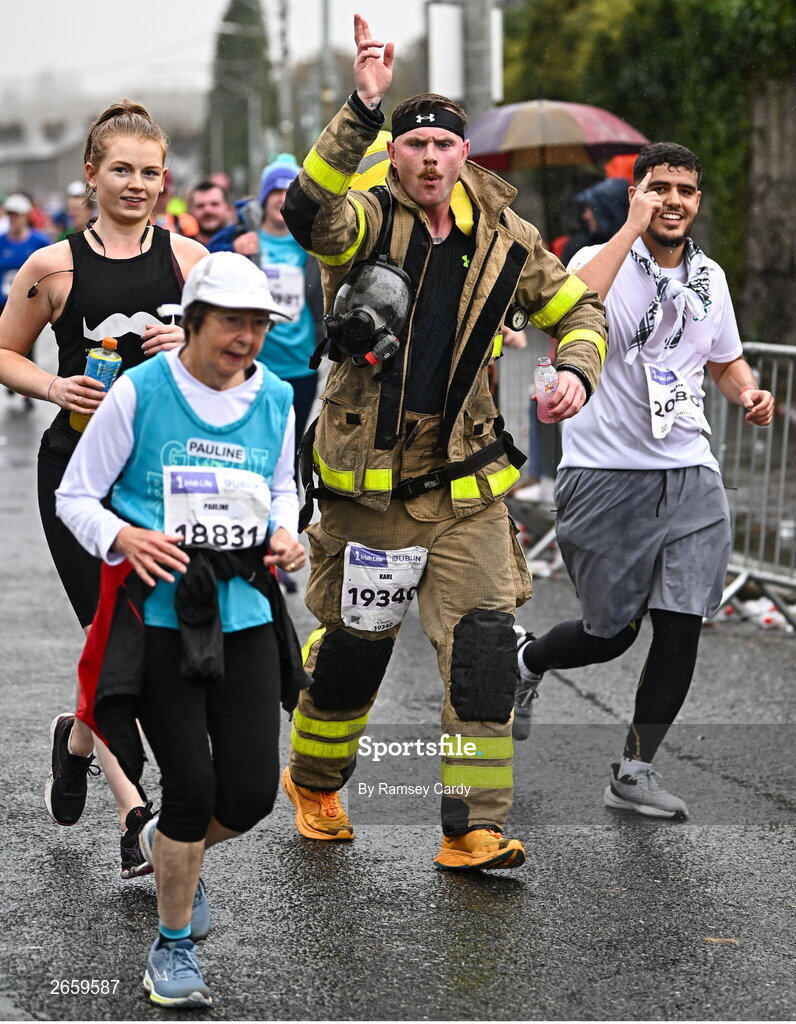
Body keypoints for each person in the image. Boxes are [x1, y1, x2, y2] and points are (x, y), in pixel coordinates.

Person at [278, 15, 607, 871]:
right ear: (395, 155)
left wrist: (577, 368)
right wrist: (362, 105)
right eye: (413, 143)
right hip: (370, 496)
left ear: (464, 156)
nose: (428, 158)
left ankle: (470, 827)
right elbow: (307, 209)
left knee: (486, 658)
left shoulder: (505, 237)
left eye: (441, 145)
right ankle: (314, 779)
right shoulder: (366, 224)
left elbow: (578, 307)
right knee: (354, 657)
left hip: (465, 490)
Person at [55, 249, 305, 1007]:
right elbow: (77, 496)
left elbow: (283, 487)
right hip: (159, 613)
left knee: (254, 794)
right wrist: (125, 537)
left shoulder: (277, 397)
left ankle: (169, 844)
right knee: (193, 786)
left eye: (259, 323)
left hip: (246, 609)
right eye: (232, 321)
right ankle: (170, 950)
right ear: (192, 320)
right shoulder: (140, 392)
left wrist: (287, 533)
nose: (247, 338)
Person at [513, 143, 774, 819]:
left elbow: (725, 360)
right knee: (613, 632)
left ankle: (635, 769)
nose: (675, 201)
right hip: (604, 473)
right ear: (638, 193)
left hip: (689, 470)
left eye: (686, 190)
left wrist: (748, 392)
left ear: (698, 201)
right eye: (660, 188)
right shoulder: (593, 261)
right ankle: (528, 660)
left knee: (683, 622)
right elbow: (568, 308)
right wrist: (628, 230)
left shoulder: (708, 278)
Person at [0, 99, 206, 877]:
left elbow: (228, 360)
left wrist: (186, 340)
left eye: (150, 172)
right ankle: (135, 813)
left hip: (160, 478)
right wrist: (55, 389)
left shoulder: (191, 265)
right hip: (78, 480)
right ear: (90, 174)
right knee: (116, 636)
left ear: (164, 181)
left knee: (130, 639)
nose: (136, 184)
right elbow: (4, 352)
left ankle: (78, 737)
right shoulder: (51, 266)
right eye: (121, 168)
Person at [211, 154, 324, 453]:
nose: (281, 198)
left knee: (292, 446)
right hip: (252, 361)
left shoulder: (311, 241)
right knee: (252, 444)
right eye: (274, 191)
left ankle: (284, 498)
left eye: (289, 191)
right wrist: (231, 248)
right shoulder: (242, 234)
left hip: (302, 365)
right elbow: (203, 258)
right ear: (263, 197)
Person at [0, 193, 50, 311]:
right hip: (3, 305)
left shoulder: (40, 241)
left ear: (26, 216)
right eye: (10, 215)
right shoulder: (1, 242)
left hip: (30, 304)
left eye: (16, 215)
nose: (13, 219)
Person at [188, 180, 234, 247]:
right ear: (191, 211)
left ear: (228, 208)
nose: (207, 210)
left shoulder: (242, 243)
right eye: (200, 206)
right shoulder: (182, 247)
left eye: (214, 204)